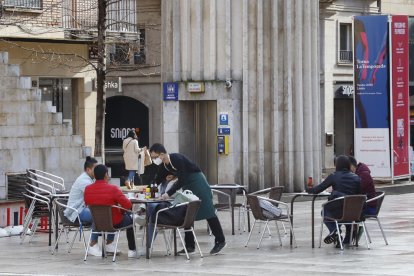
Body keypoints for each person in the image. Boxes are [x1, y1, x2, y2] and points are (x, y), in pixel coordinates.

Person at [150, 143, 226, 255]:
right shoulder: (164, 166)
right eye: (153, 158)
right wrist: (147, 189)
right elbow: (157, 179)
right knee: (186, 213)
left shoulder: (177, 158)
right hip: (187, 185)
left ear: (162, 154)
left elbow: (182, 179)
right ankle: (190, 246)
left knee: (208, 210)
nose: (154, 160)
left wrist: (168, 193)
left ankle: (220, 240)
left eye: (155, 157)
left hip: (197, 181)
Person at [306, 155, 361, 247]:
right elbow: (359, 195)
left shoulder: (334, 176)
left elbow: (318, 189)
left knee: (325, 211)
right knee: (343, 212)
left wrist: (307, 189)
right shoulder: (356, 178)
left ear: (337, 165)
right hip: (353, 212)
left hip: (338, 211)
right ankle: (345, 238)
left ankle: (335, 231)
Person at [84, 164, 137, 258]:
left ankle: (109, 245)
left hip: (97, 223)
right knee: (130, 220)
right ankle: (132, 250)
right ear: (105, 175)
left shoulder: (87, 189)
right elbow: (128, 205)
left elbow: (87, 203)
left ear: (95, 176)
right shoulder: (113, 189)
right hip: (114, 223)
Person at [64, 156, 113, 257]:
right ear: (88, 169)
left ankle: (109, 244)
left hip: (85, 208)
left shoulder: (90, 179)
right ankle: (93, 245)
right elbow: (96, 196)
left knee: (111, 214)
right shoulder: (84, 181)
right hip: (76, 211)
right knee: (99, 215)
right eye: (95, 169)